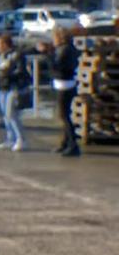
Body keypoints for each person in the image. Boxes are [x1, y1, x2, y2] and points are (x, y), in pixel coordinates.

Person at [0, 33, 29, 152]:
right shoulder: (0, 57)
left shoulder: (17, 55)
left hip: (13, 87)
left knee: (11, 114)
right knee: (5, 115)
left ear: (5, 44)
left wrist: (7, 75)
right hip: (2, 87)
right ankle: (10, 138)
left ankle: (21, 139)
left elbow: (20, 71)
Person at [49, 26, 80, 157]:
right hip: (65, 83)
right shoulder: (68, 48)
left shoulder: (64, 50)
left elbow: (57, 66)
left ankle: (72, 144)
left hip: (64, 84)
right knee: (63, 114)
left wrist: (47, 55)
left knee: (64, 115)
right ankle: (66, 142)